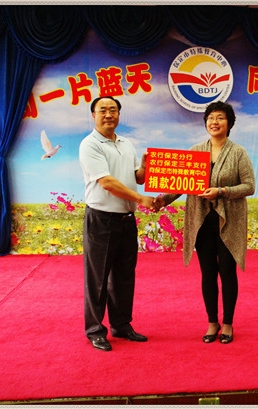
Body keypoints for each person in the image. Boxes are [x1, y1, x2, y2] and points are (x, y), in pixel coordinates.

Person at [155, 101, 255, 344]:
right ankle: (212, 322)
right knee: (207, 272)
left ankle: (228, 323)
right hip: (201, 220)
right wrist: (162, 200)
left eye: (220, 117)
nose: (214, 122)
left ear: (229, 123)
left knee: (227, 271)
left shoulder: (238, 152)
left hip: (229, 221)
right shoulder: (196, 150)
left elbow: (249, 186)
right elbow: (182, 183)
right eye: (210, 117)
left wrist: (221, 191)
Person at [79, 95, 156, 351]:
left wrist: (144, 166)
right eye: (103, 110)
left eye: (113, 110)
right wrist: (140, 199)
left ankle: (121, 325)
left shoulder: (126, 143)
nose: (108, 114)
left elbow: (137, 178)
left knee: (124, 277)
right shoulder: (90, 144)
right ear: (93, 115)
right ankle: (95, 330)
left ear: (119, 115)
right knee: (98, 279)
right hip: (101, 219)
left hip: (126, 220)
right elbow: (107, 182)